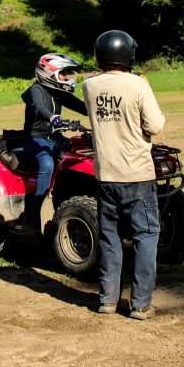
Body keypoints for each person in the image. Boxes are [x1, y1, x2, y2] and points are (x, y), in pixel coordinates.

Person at [81, 30, 165, 321]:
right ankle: (140, 304)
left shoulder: (89, 85)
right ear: (127, 55)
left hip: (106, 174)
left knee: (110, 238)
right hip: (137, 174)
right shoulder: (138, 84)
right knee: (145, 235)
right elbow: (154, 125)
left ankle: (107, 300)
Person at [20, 53, 87, 220]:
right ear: (49, 73)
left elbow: (80, 106)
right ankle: (38, 209)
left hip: (55, 139)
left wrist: (98, 111)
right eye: (63, 73)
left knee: (80, 152)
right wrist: (52, 117)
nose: (66, 77)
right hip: (34, 140)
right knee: (47, 164)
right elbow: (38, 108)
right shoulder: (35, 90)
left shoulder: (57, 91)